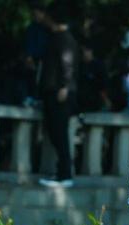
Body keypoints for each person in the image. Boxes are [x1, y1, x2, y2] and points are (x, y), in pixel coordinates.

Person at [38, 4, 79, 188]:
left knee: (59, 134)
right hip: (54, 92)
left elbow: (67, 62)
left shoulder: (63, 38)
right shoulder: (58, 37)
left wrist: (64, 86)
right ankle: (62, 173)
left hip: (59, 93)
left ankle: (65, 175)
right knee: (55, 133)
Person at [77, 42, 110, 112]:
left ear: (90, 51)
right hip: (81, 102)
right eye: (81, 51)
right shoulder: (79, 66)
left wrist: (105, 99)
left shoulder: (99, 66)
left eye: (85, 51)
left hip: (95, 102)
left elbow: (103, 84)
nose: (83, 53)